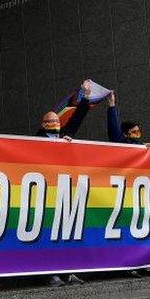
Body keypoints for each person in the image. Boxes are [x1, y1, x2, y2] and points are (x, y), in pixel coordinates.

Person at [37, 80, 92, 287]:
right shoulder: (36, 140)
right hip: (47, 194)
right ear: (43, 125)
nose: (54, 124)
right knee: (49, 236)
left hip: (65, 192)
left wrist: (86, 96)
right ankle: (51, 273)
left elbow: (77, 119)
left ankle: (69, 271)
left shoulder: (64, 136)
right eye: (50, 121)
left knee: (67, 234)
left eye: (56, 120)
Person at [105, 92, 150, 278]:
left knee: (143, 232)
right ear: (126, 133)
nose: (138, 134)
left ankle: (145, 262)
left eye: (139, 131)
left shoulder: (143, 149)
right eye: (134, 132)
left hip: (141, 196)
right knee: (127, 232)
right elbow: (113, 129)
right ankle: (128, 264)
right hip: (124, 195)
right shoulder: (120, 144)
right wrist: (112, 106)